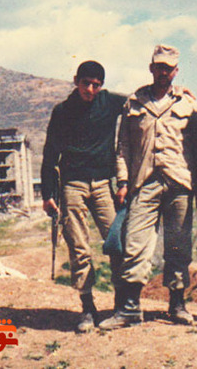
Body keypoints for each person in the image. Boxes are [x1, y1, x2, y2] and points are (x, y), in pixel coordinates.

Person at [99, 45, 197, 330]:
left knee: (178, 246)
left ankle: (177, 305)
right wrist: (123, 181)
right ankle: (129, 308)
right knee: (135, 244)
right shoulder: (134, 102)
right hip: (143, 183)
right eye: (159, 67)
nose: (163, 72)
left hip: (179, 182)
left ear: (176, 71)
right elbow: (122, 147)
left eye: (168, 68)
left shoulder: (188, 103)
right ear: (151, 68)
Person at [41, 60, 126, 333]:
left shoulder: (110, 103)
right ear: (76, 80)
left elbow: (142, 101)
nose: (90, 89)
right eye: (86, 83)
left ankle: (121, 304)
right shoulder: (63, 111)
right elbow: (50, 153)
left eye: (96, 85)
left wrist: (180, 93)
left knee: (117, 241)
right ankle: (87, 307)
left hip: (102, 183)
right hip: (72, 184)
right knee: (79, 246)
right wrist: (47, 193)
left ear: (102, 85)